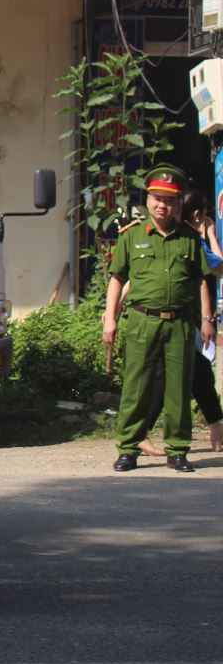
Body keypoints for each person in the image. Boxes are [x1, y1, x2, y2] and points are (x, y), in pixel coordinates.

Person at [105, 166, 213, 473]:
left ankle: (177, 450)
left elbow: (201, 279)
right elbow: (117, 278)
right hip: (142, 320)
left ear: (178, 204)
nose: (161, 205)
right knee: (136, 386)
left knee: (179, 386)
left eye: (169, 199)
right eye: (156, 198)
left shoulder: (190, 239)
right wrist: (109, 319)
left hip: (180, 322)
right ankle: (128, 448)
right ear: (148, 199)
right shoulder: (132, 236)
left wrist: (207, 319)